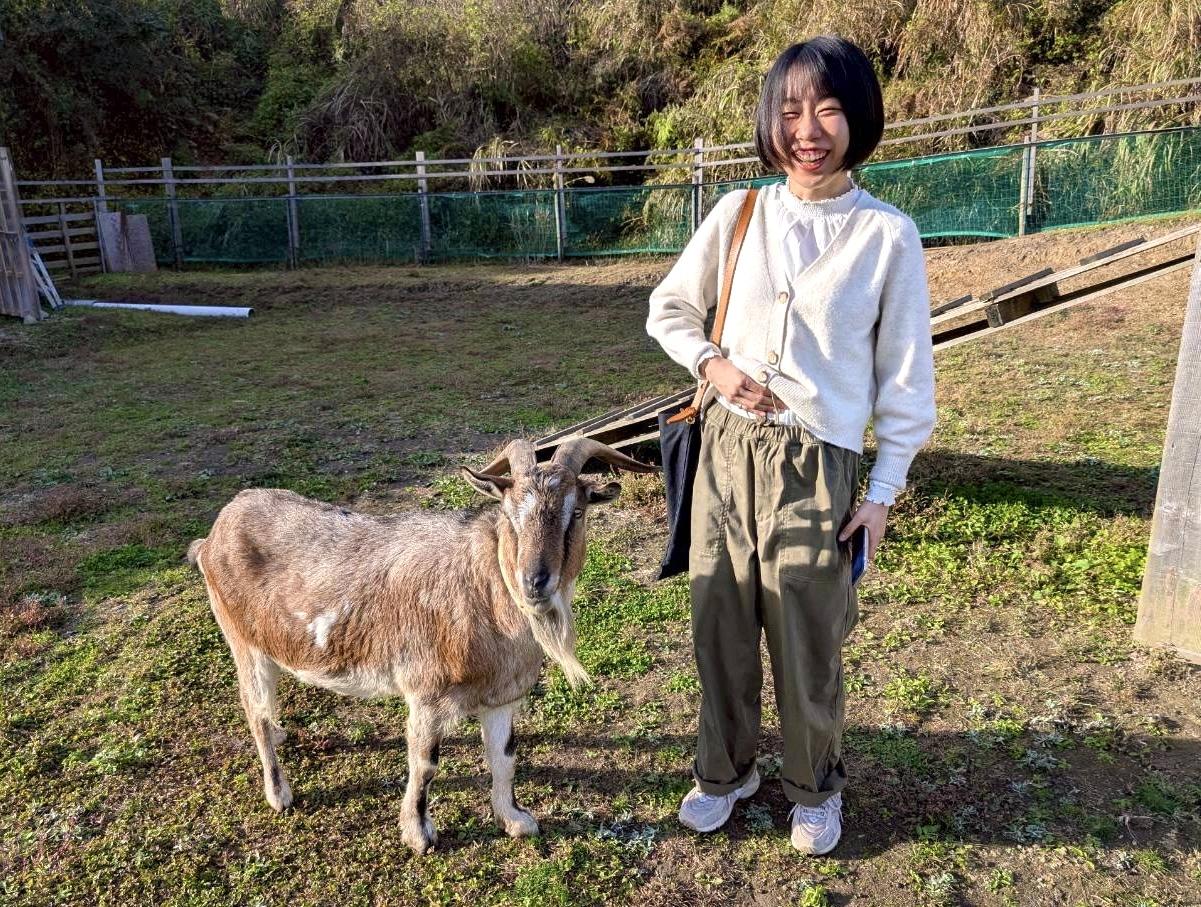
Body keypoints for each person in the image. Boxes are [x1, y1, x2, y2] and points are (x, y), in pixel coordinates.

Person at [645, 35, 936, 855]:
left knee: (808, 639)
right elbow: (669, 308)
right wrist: (714, 362)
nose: (807, 128)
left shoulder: (887, 236)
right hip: (725, 451)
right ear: (771, 123)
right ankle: (724, 771)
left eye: (828, 109)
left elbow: (906, 384)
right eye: (790, 110)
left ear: (858, 120)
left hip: (818, 463)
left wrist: (880, 494)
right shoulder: (741, 212)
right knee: (719, 628)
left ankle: (813, 786)